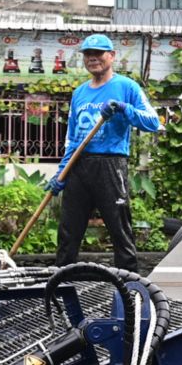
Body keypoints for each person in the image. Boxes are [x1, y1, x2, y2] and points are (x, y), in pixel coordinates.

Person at [46, 33, 162, 272]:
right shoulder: (79, 93)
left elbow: (152, 122)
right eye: (88, 54)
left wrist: (123, 108)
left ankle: (129, 287)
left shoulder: (126, 87)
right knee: (68, 233)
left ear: (112, 56)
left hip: (111, 165)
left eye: (98, 53)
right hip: (79, 165)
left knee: (120, 231)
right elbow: (73, 138)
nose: (93, 58)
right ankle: (61, 285)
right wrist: (61, 174)